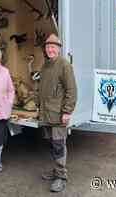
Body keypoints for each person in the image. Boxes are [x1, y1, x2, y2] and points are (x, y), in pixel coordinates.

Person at [37, 34, 77, 192]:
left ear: (59, 49)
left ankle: (61, 176)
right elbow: (41, 88)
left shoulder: (64, 65)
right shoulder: (46, 65)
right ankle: (56, 170)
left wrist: (67, 111)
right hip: (46, 113)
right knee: (52, 144)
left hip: (59, 114)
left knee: (59, 145)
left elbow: (72, 90)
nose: (50, 49)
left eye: (53, 47)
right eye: (48, 47)